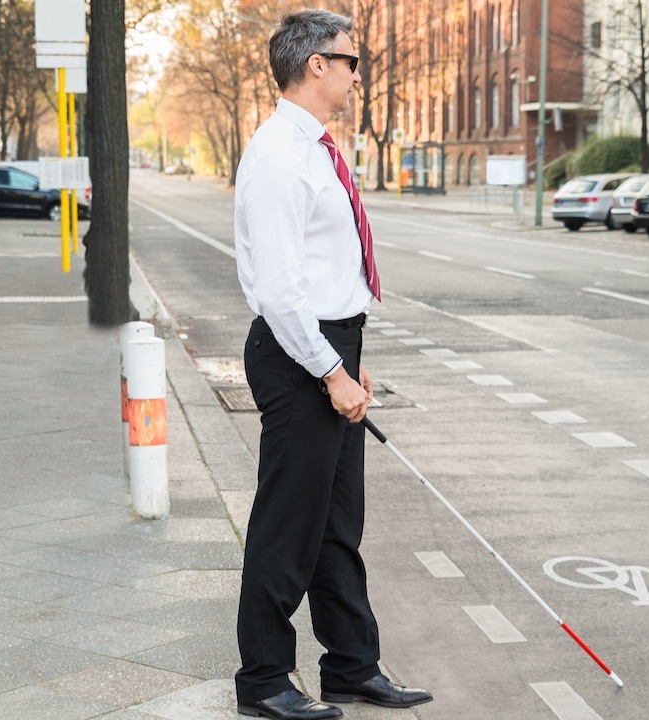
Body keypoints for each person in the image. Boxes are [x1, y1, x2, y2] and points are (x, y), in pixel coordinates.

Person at [231, 9, 433, 720]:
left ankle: (351, 665)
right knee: (288, 527)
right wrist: (329, 370)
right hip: (297, 356)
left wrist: (352, 360)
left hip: (330, 347)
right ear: (317, 63)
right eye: (351, 60)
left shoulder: (315, 149)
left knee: (337, 525)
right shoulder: (280, 156)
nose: (356, 72)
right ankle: (263, 680)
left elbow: (325, 274)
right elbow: (282, 294)